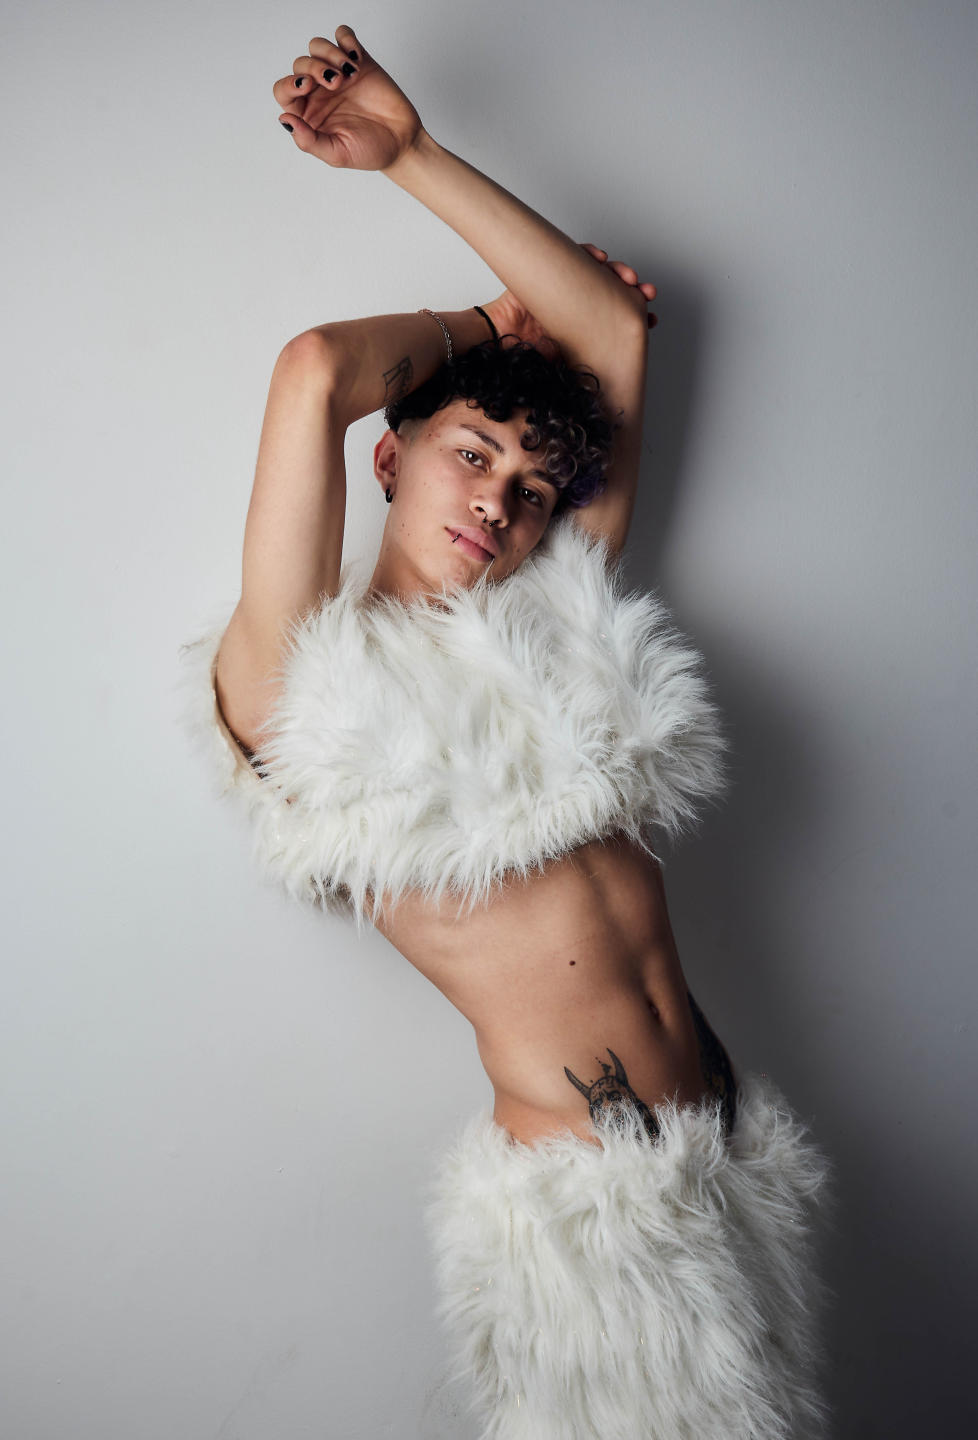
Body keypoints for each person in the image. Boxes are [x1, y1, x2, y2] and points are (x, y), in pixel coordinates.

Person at [181, 22, 832, 1440]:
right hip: (593, 1224)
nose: (499, 497)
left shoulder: (550, 634)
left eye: (533, 485)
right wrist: (486, 323)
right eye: (470, 454)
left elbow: (614, 332)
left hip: (726, 1166)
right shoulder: (298, 695)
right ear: (391, 455)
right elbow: (312, 368)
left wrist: (414, 150)